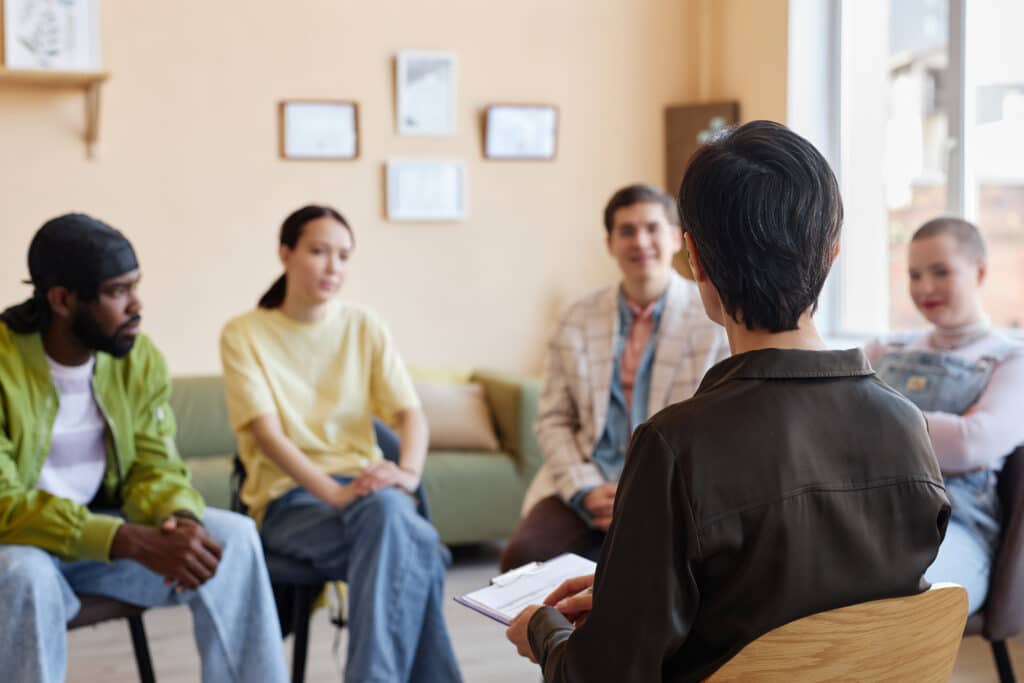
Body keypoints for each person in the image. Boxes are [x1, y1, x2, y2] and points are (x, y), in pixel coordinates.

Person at [505, 121, 951, 681]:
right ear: (832, 254)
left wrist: (545, 630)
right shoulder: (907, 427)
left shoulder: (675, 446)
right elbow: (804, 611)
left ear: (694, 259)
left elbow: (602, 676)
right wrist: (630, 596)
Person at [0, 213, 288, 683]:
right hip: (19, 548)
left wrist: (180, 522)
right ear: (62, 299)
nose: (137, 305)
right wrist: (127, 539)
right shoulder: (4, 362)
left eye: (136, 286)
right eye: (118, 291)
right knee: (23, 575)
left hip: (103, 542)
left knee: (231, 540)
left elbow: (155, 465)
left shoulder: (137, 358)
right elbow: (4, 502)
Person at [219, 204, 462, 683]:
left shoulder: (363, 324)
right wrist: (335, 493)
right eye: (319, 251)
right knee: (418, 547)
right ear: (285, 253)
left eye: (345, 256)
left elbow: (411, 415)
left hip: (368, 498)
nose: (334, 267)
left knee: (392, 519)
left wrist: (407, 475)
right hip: (289, 502)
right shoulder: (244, 333)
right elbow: (267, 436)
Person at [500, 184, 728, 572]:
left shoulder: (713, 318)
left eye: (652, 228)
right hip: (587, 484)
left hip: (670, 491)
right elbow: (554, 419)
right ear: (610, 244)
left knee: (650, 576)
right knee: (522, 559)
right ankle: (547, 636)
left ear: (676, 238)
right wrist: (585, 489)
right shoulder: (577, 317)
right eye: (627, 231)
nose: (640, 241)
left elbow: (717, 427)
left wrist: (647, 493)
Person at [866, 217, 1024, 614]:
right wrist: (944, 428)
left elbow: (970, 445)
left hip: (957, 530)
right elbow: (834, 424)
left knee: (893, 602)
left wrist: (873, 420)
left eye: (941, 272)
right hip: (867, 519)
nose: (924, 288)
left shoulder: (1010, 359)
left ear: (980, 271)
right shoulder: (885, 349)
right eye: (914, 274)